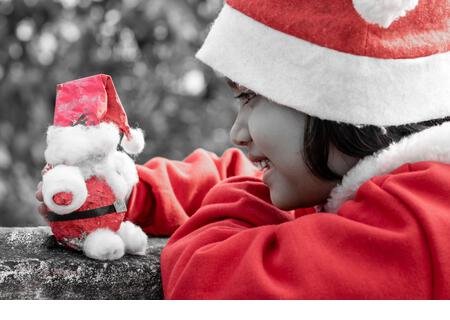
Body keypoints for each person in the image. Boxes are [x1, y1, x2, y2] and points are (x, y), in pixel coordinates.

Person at [37, 0, 450, 299]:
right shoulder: (397, 185)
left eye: (250, 97)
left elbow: (213, 279)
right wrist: (132, 189)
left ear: (341, 101)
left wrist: (240, 196)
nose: (238, 133)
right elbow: (253, 182)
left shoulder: (413, 225)